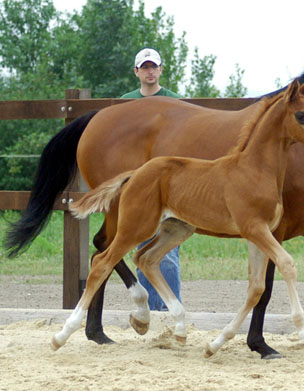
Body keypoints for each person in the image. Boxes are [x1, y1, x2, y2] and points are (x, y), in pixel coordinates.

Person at [121, 48, 181, 309]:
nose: (149, 71)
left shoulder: (175, 102)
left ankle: (169, 310)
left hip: (169, 185)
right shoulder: (126, 103)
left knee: (167, 249)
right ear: (136, 72)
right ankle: (152, 311)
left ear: (161, 70)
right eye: (144, 67)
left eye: (153, 66)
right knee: (145, 248)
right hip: (139, 185)